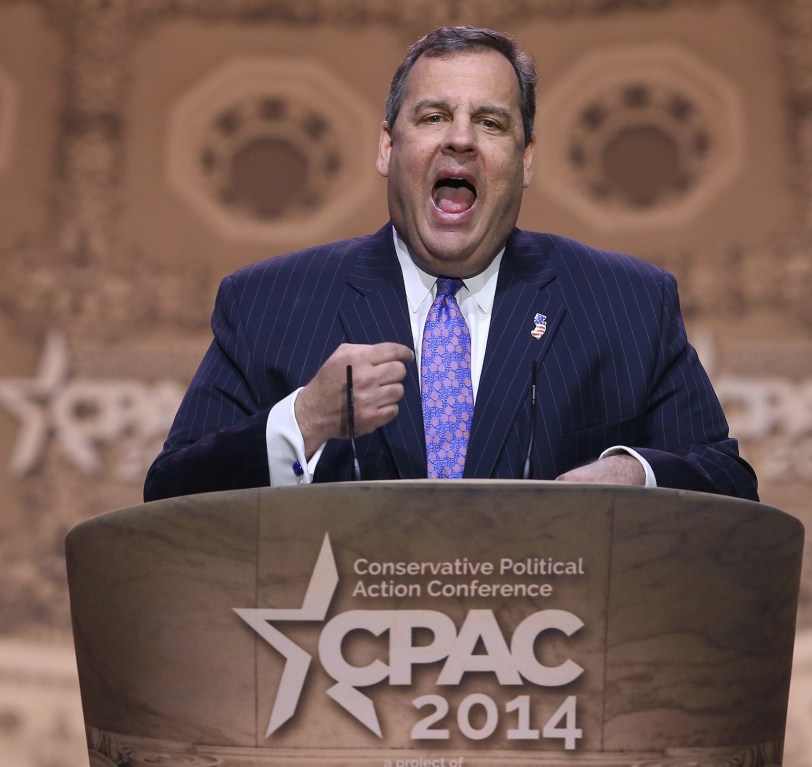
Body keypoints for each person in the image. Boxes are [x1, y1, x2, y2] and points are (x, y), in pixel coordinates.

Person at [144, 26, 757, 502]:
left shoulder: (627, 303)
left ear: (527, 160)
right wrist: (303, 422)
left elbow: (727, 482)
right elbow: (170, 491)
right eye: (433, 117)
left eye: (490, 122)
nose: (460, 139)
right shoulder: (269, 304)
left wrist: (635, 475)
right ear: (388, 147)